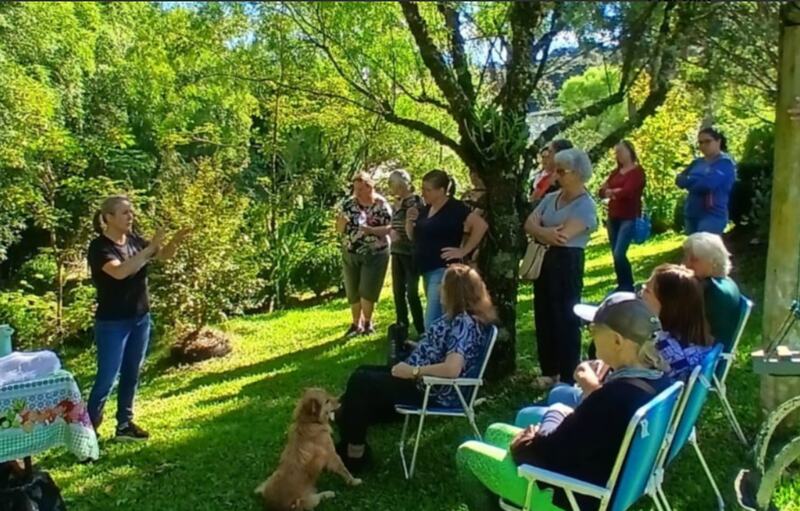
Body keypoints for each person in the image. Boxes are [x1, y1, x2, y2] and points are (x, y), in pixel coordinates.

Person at [457, 293, 671, 511]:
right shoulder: (659, 380)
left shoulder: (611, 397)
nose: (590, 335)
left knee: (467, 454)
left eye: (594, 330)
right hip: (606, 480)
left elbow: (546, 451)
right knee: (494, 431)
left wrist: (547, 421)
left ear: (617, 340)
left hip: (575, 496)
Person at [336, 264, 496, 472]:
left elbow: (452, 368)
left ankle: (354, 453)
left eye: (443, 286)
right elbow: (444, 349)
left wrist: (413, 371)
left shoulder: (463, 323)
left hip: (430, 390)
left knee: (361, 383)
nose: (439, 290)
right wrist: (417, 348)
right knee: (361, 373)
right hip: (420, 381)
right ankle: (351, 444)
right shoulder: (458, 318)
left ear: (455, 292)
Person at [87, 196, 189, 440]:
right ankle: (88, 428)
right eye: (124, 213)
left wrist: (173, 241)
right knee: (107, 378)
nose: (130, 216)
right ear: (108, 218)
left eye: (131, 212)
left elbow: (161, 257)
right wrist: (150, 249)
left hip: (140, 318)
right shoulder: (99, 247)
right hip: (113, 323)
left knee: (132, 373)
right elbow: (120, 272)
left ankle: (124, 424)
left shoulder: (134, 241)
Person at [524, 148, 598, 388]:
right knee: (543, 314)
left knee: (565, 316)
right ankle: (549, 370)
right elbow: (529, 223)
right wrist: (545, 232)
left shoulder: (585, 206)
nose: (556, 175)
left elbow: (563, 237)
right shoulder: (550, 198)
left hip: (567, 262)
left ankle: (567, 374)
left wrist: (541, 231)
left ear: (577, 173)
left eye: (562, 171)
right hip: (543, 260)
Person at [406, 170, 488, 328]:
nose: (423, 193)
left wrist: (464, 251)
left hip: (443, 268)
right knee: (442, 318)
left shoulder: (455, 208)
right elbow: (413, 237)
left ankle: (433, 349)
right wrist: (410, 222)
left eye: (428, 190)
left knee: (432, 320)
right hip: (426, 268)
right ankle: (446, 348)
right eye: (423, 189)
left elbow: (481, 225)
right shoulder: (425, 209)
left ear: (442, 190)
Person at [336, 172, 393, 337]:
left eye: (360, 189)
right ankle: (355, 324)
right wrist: (340, 224)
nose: (357, 193)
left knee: (367, 289)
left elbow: (391, 228)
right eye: (355, 189)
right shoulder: (348, 205)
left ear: (370, 187)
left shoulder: (381, 205)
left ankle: (368, 322)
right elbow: (339, 230)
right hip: (351, 252)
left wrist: (372, 230)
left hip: (375, 253)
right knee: (352, 289)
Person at [598, 140, 646, 292]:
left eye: (621, 151)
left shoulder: (637, 172)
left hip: (629, 216)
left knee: (620, 252)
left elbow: (629, 191)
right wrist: (611, 191)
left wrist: (612, 192)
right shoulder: (615, 173)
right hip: (613, 216)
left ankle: (628, 284)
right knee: (614, 252)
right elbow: (601, 191)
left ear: (630, 152)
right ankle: (623, 284)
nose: (618, 155)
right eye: (616, 153)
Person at [682, 232, 742, 350]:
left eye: (694, 259)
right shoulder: (727, 282)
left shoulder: (711, 289)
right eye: (685, 257)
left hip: (707, 355)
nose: (686, 264)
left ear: (713, 262)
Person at [676, 127, 737, 235]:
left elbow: (707, 185)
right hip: (692, 213)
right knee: (693, 250)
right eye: (700, 142)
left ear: (718, 141)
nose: (703, 146)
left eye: (707, 141)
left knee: (705, 249)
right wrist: (697, 180)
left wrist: (689, 181)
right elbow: (679, 180)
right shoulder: (697, 163)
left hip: (712, 215)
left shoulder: (725, 163)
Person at [387, 169, 426, 337]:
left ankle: (420, 328)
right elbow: (393, 224)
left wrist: (401, 232)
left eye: (397, 186)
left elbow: (418, 225)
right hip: (396, 251)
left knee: (411, 291)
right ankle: (401, 326)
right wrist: (391, 232)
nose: (396, 190)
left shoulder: (416, 202)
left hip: (411, 252)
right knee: (397, 291)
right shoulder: (396, 203)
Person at [528, 139, 572, 209]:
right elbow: (532, 200)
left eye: (550, 152)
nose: (547, 155)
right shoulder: (546, 178)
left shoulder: (569, 184)